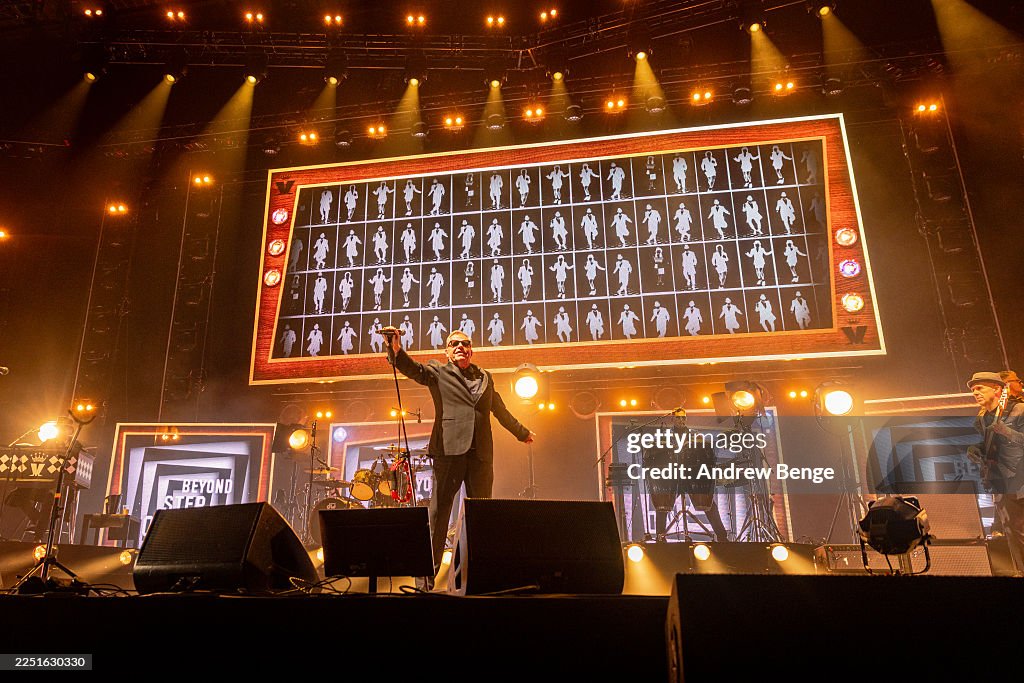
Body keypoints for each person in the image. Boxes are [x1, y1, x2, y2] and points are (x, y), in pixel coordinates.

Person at [384, 329, 534, 578]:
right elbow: (413, 369)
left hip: (481, 455)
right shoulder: (438, 372)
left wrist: (522, 432)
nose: (460, 347)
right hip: (449, 451)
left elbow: (499, 409)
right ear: (446, 351)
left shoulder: (486, 377)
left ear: (471, 350)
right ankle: (426, 577)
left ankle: (473, 572)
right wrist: (395, 350)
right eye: (454, 343)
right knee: (440, 511)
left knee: (480, 514)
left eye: (465, 344)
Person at [968, 371, 1024, 574]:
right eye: (973, 390)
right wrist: (976, 450)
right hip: (1002, 484)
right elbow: (990, 447)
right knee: (1013, 533)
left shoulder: (1018, 409)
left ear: (997, 389)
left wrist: (1007, 431)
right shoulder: (982, 419)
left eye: (980, 388)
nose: (976, 392)